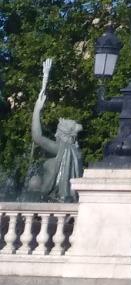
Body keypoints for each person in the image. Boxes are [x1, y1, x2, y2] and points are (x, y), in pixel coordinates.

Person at [25, 59, 83, 201]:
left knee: (33, 181)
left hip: (49, 199)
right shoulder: (74, 152)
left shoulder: (61, 148)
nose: (55, 132)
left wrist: (36, 111)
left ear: (62, 133)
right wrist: (45, 77)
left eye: (58, 129)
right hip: (52, 201)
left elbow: (37, 137)